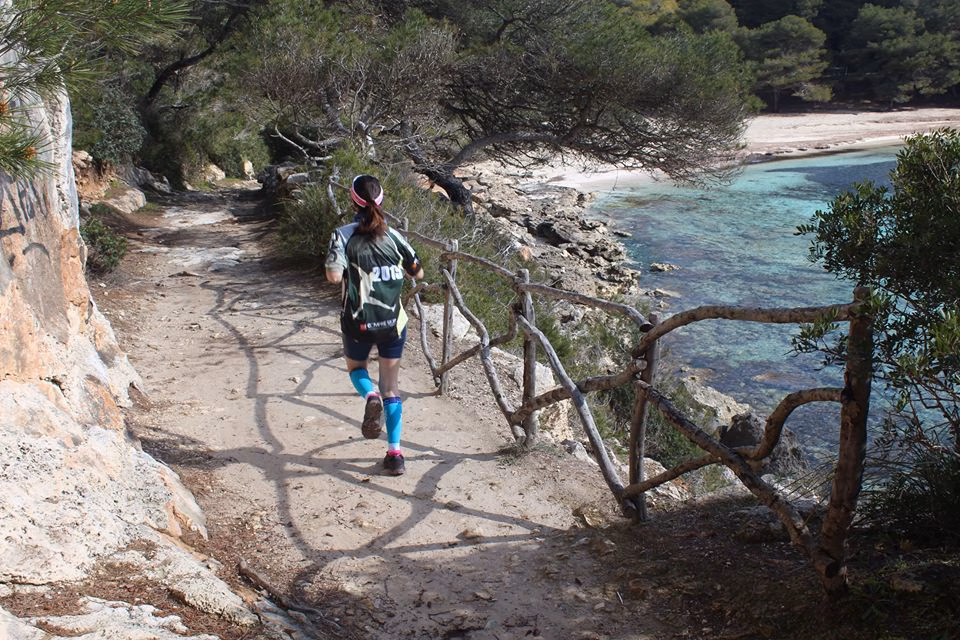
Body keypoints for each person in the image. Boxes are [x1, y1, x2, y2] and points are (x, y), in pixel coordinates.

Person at [325, 174, 424, 476]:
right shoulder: (394, 236)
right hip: (393, 322)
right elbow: (417, 273)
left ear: (352, 200)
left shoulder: (342, 235)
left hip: (358, 321)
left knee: (357, 370)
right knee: (392, 387)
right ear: (382, 200)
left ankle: (369, 397)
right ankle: (395, 454)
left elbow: (333, 276)